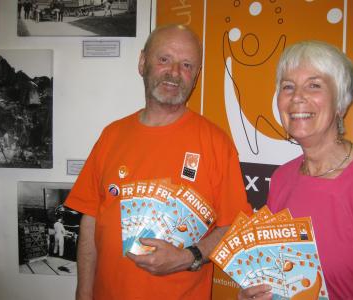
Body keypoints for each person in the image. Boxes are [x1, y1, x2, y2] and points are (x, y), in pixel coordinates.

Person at [64, 24, 252, 300]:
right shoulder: (111, 136)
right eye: (164, 59)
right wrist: (83, 292)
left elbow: (234, 226)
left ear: (196, 76)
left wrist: (189, 257)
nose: (175, 72)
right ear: (142, 62)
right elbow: (90, 220)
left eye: (187, 65)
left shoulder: (216, 143)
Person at [238, 40, 353, 300]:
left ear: (341, 103)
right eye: (288, 86)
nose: (297, 97)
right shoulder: (281, 179)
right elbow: (275, 271)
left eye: (314, 85)